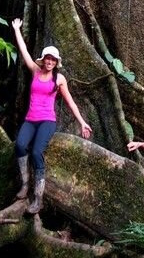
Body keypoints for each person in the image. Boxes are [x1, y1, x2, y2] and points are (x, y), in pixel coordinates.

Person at [12, 18, 92, 214]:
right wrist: (16, 30)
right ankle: (25, 184)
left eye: (52, 59)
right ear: (44, 59)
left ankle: (38, 198)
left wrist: (82, 123)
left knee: (37, 152)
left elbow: (70, 102)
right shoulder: (35, 71)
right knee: (20, 145)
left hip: (47, 120)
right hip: (31, 119)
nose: (49, 61)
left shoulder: (59, 79)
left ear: (56, 63)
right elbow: (24, 53)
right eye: (47, 58)